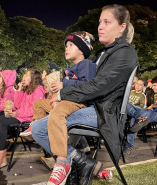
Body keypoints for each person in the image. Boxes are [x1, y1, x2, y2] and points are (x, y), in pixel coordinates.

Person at [31, 4, 138, 185]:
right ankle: (87, 163)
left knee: (44, 127)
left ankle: (66, 163)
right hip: (93, 106)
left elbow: (97, 87)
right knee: (37, 129)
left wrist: (62, 93)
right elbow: (89, 85)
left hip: (104, 112)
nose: (100, 27)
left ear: (122, 27)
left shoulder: (125, 53)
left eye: (107, 22)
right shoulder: (103, 53)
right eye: (100, 22)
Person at [20, 31, 96, 149]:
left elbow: (87, 85)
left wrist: (64, 84)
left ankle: (64, 150)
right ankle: (36, 126)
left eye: (71, 45)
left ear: (82, 50)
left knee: (58, 113)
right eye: (66, 46)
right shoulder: (69, 69)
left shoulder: (87, 64)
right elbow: (64, 89)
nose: (67, 48)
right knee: (39, 103)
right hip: (65, 102)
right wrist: (56, 97)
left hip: (78, 103)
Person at [0, 69, 45, 171]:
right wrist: (20, 90)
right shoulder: (27, 89)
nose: (24, 77)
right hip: (20, 115)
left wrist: (17, 113)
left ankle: (1, 158)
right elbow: (17, 105)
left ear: (33, 78)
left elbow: (34, 110)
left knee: (2, 124)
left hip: (28, 118)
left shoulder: (38, 91)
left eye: (27, 75)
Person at [123, 76, 157, 155]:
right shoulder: (153, 95)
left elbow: (150, 107)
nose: (152, 87)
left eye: (154, 85)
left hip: (152, 114)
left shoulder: (145, 96)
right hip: (145, 112)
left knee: (135, 118)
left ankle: (128, 147)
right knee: (127, 104)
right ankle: (139, 118)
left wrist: (152, 106)